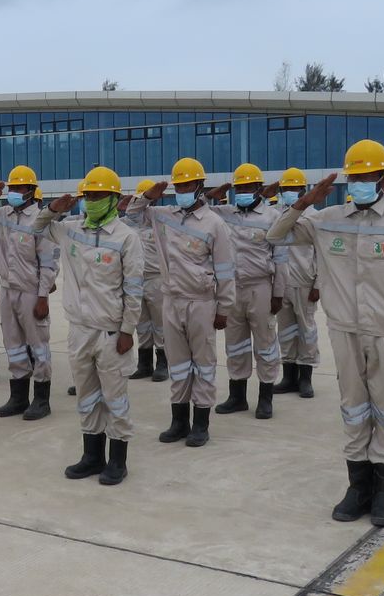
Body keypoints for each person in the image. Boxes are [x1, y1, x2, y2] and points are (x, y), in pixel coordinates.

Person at [267, 139, 384, 528]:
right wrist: (305, 202)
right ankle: (358, 487)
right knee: (354, 406)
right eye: (353, 176)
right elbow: (275, 234)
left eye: (366, 176)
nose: (359, 182)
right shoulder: (327, 219)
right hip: (344, 331)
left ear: (382, 178)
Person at [36, 166, 142, 484]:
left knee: (115, 398)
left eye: (98, 195)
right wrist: (54, 209)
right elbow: (34, 228)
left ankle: (118, 460)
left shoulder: (127, 237)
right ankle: (91, 456)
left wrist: (127, 330)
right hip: (79, 330)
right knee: (87, 396)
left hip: (111, 334)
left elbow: (133, 289)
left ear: (114, 199)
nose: (91, 200)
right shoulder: (70, 229)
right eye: (88, 195)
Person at [127, 158, 236, 447]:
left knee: (203, 364)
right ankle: (178, 421)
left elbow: (225, 269)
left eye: (187, 184)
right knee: (178, 365)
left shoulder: (215, 224)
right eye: (178, 185)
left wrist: (224, 308)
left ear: (200, 186)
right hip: (171, 300)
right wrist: (150, 195)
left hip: (201, 302)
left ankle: (201, 423)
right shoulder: (164, 215)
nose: (181, 190)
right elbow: (131, 214)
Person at [0, 165, 60, 420]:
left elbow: (49, 262)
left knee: (38, 345)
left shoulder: (40, 219)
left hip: (31, 292)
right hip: (8, 290)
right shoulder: (1, 215)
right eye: (12, 188)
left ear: (31, 190)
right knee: (14, 344)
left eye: (19, 188)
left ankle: (41, 399)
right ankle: (18, 397)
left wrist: (43, 296)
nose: (14, 192)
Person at [204, 164, 286, 420]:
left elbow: (281, 258)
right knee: (235, 344)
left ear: (259, 189)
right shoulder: (224, 213)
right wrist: (215, 193)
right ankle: (237, 396)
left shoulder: (272, 217)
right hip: (231, 290)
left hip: (260, 287)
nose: (243, 191)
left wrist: (278, 293)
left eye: (248, 187)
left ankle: (265, 397)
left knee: (265, 344)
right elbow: (198, 208)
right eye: (239, 187)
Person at [270, 168, 320, 398]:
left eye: (295, 189)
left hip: (305, 281)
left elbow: (322, 253)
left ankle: (305, 377)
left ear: (303, 190)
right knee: (286, 330)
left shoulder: (314, 216)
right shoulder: (275, 215)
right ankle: (289, 376)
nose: (291, 192)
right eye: (286, 189)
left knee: (306, 329)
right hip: (282, 283)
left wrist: (318, 283)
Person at [120, 180, 168, 383]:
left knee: (160, 324)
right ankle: (144, 364)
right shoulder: (127, 223)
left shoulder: (161, 222)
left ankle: (163, 363)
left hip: (156, 278)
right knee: (142, 324)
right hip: (135, 280)